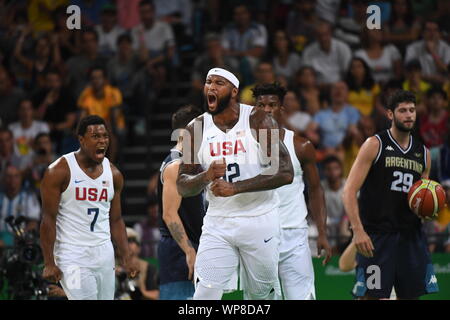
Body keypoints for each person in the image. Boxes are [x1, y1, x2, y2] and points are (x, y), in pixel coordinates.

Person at [176, 68, 294, 300]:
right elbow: (182, 185)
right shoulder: (195, 128)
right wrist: (206, 176)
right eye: (208, 82)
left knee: (260, 295)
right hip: (218, 222)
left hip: (259, 219)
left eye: (219, 83)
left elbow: (285, 172)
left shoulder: (258, 119)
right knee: (205, 294)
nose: (211, 87)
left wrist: (236, 188)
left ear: (234, 91)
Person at [342, 90, 439, 299]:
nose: (409, 115)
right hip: (377, 235)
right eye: (402, 110)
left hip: (411, 237)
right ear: (390, 114)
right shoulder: (374, 144)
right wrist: (358, 230)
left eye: (412, 110)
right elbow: (349, 190)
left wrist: (429, 210)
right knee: (373, 296)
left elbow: (421, 200)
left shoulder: (424, 154)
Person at [39, 115, 139, 300]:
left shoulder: (114, 174)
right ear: (81, 139)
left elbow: (116, 220)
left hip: (103, 252)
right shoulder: (59, 171)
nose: (102, 141)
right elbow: (48, 219)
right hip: (72, 254)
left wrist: (127, 256)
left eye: (105, 136)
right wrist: (49, 262)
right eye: (95, 137)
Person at [253, 82, 331, 300]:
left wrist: (322, 233)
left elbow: (316, 190)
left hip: (293, 234)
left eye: (272, 104)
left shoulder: (300, 145)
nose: (266, 109)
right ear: (254, 110)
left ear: (281, 109)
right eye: (261, 105)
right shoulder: (244, 146)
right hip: (257, 235)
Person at [157, 104, 205, 300]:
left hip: (193, 245)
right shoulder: (176, 165)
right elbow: (169, 214)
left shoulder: (191, 161)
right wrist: (189, 251)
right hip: (180, 250)